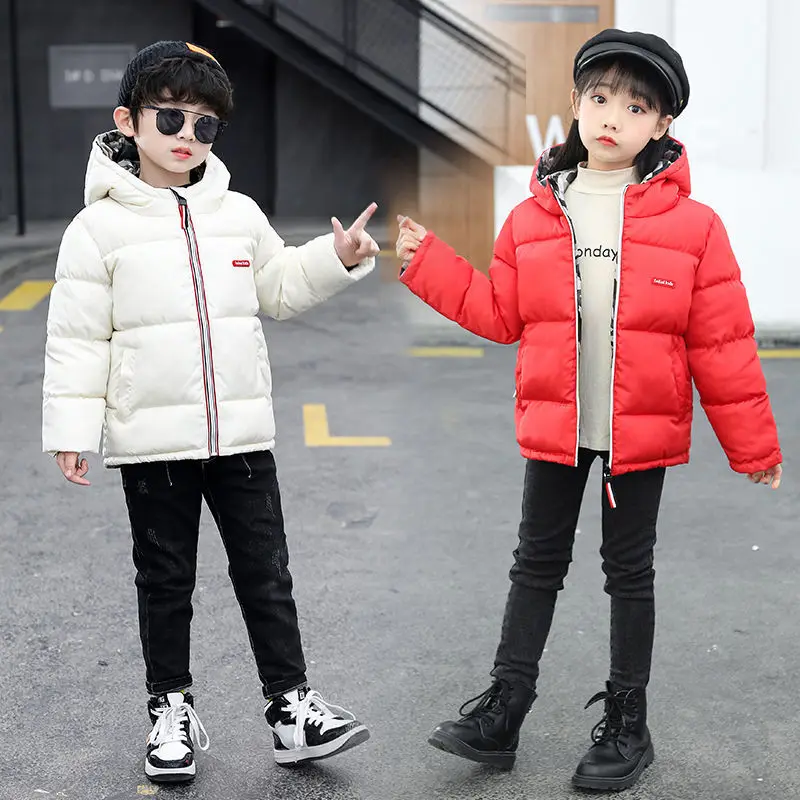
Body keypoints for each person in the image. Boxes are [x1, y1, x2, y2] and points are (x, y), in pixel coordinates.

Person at [395, 29, 782, 792]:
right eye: (600, 99)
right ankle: (504, 710)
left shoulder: (695, 227)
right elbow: (501, 314)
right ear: (575, 103)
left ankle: (629, 724)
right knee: (535, 564)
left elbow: (724, 347)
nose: (612, 117)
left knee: (628, 572)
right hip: (557, 428)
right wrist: (429, 263)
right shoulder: (535, 215)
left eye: (636, 107)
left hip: (641, 433)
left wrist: (753, 449)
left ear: (661, 124)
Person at [42, 41, 379, 784]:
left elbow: (279, 287)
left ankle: (291, 710)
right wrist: (71, 430)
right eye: (170, 117)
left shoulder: (237, 213)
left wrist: (339, 257)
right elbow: (76, 338)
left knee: (267, 574)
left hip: (241, 436)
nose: (186, 136)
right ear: (127, 121)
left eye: (204, 125)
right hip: (153, 441)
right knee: (166, 581)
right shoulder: (96, 230)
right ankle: (170, 711)